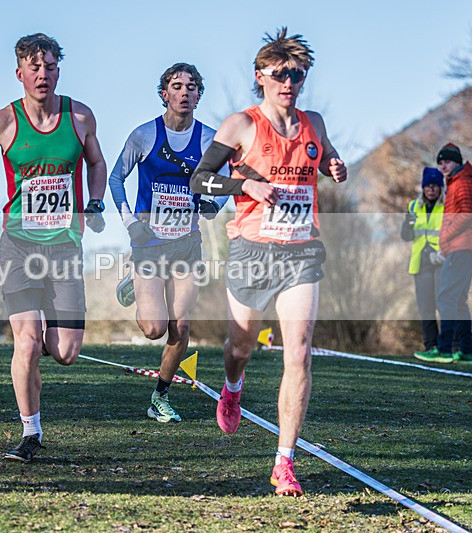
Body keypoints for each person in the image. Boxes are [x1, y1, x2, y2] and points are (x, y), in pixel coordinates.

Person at [189, 28, 347, 496]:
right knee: (240, 346)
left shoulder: (313, 121)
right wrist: (244, 187)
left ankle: (284, 463)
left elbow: (328, 159)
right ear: (261, 77)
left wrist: (336, 167)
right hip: (252, 251)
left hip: (301, 251)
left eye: (297, 74)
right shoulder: (241, 125)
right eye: (279, 74)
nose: (288, 82)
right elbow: (200, 180)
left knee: (298, 352)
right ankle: (232, 386)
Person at [0, 33, 107, 463]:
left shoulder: (79, 117)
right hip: (18, 246)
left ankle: (38, 345)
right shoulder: (2, 122)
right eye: (34, 67)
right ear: (19, 72)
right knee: (25, 344)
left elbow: (96, 163)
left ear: (59, 70)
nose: (43, 75)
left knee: (64, 352)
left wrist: (94, 201)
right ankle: (30, 432)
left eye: (50, 67)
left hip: (64, 248)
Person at [109, 63, 228, 423]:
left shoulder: (209, 139)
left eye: (192, 87)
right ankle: (134, 281)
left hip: (187, 243)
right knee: (154, 329)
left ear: (199, 96)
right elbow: (116, 179)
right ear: (164, 93)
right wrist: (130, 223)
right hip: (149, 244)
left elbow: (227, 182)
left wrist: (214, 203)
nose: (184, 93)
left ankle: (159, 396)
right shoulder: (144, 135)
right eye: (176, 86)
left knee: (181, 327)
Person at [403, 168, 451, 362]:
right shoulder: (414, 206)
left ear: (441, 188)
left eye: (435, 186)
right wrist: (408, 224)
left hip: (441, 261)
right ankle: (430, 346)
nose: (431, 190)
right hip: (420, 263)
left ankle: (448, 346)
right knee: (426, 307)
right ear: (423, 188)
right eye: (427, 186)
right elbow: (406, 236)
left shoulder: (447, 206)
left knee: (443, 304)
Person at [433, 143, 472, 361]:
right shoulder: (456, 181)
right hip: (461, 248)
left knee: (446, 297)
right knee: (457, 300)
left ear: (457, 161)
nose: (443, 166)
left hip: (461, 248)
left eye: (446, 161)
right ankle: (466, 349)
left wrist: (446, 234)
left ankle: (445, 348)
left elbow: (467, 214)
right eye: (440, 163)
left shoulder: (463, 182)